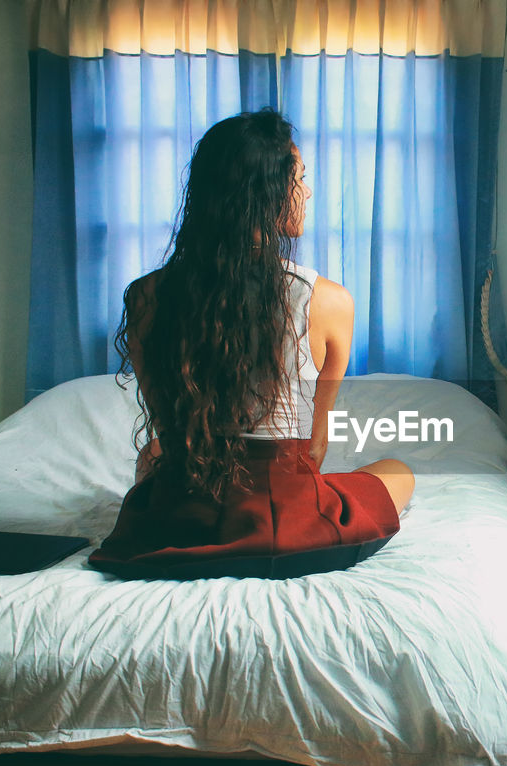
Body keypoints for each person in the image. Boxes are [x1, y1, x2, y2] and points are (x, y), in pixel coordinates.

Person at [89, 108, 414, 581]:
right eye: (299, 178)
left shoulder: (146, 297)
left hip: (182, 518)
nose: (306, 191)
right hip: (282, 520)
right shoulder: (328, 301)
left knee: (152, 456)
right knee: (397, 469)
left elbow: (169, 432)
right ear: (268, 192)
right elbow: (314, 449)